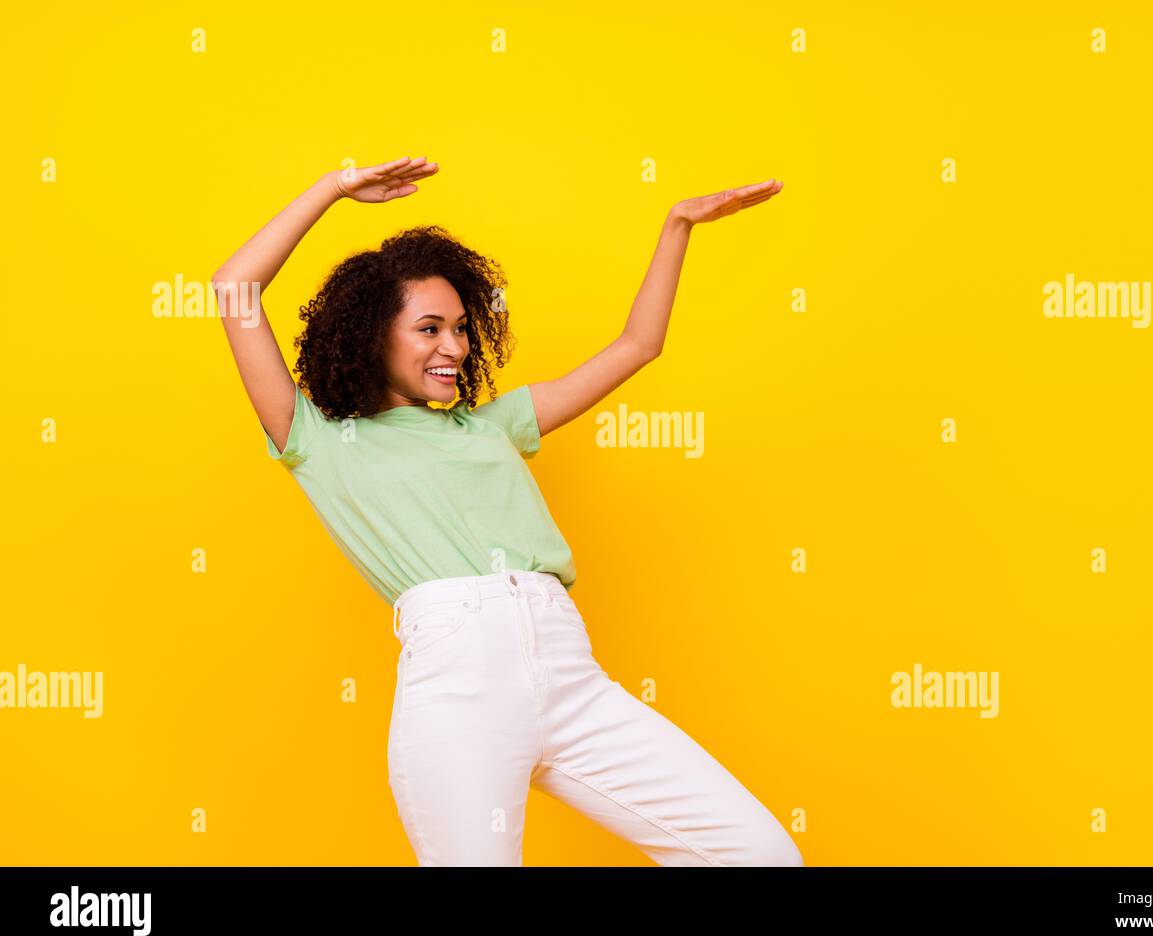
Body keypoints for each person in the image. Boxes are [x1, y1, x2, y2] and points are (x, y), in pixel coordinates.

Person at [210, 156, 799, 866]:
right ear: (374, 335)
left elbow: (639, 346)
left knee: (759, 853)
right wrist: (335, 189)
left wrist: (677, 225)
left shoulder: (493, 425)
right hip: (459, 690)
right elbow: (234, 288)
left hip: (569, 674)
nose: (454, 347)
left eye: (461, 328)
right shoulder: (320, 443)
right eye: (430, 328)